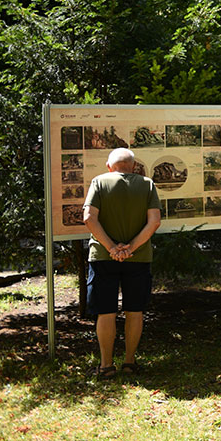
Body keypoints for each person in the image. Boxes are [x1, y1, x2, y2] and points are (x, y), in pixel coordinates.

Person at [81, 148, 161, 378]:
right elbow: (154, 221)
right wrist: (131, 248)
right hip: (139, 257)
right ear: (133, 167)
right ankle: (130, 362)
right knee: (135, 311)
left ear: (109, 166)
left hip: (104, 257)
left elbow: (88, 218)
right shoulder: (147, 184)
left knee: (105, 312)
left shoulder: (99, 182)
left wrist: (111, 248)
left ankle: (106, 365)